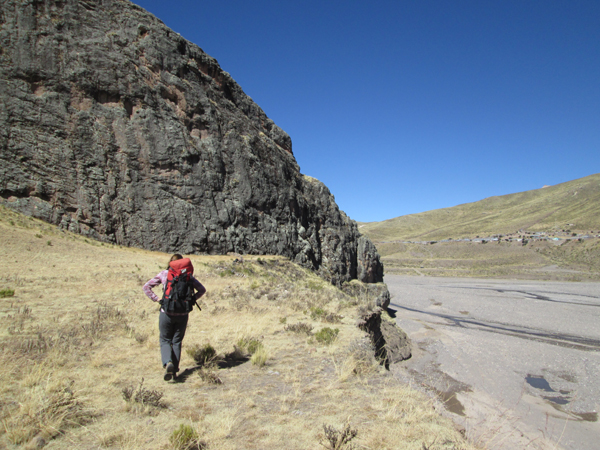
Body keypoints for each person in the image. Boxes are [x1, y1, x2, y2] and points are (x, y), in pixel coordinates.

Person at [143, 254, 206, 381]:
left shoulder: (164, 274)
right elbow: (202, 290)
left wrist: (158, 299)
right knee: (176, 341)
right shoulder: (188, 276)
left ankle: (168, 363)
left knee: (165, 339)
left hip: (166, 312)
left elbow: (146, 287)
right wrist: (191, 300)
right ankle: (175, 372)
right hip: (183, 313)